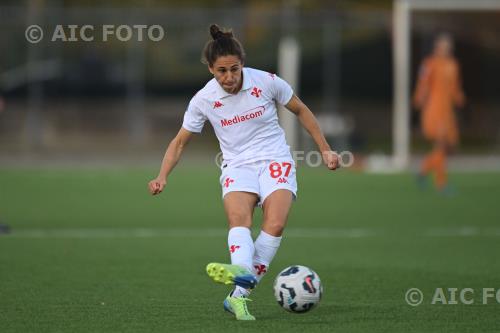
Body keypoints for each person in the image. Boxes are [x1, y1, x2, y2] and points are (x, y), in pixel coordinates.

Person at [148, 24, 339, 321]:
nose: (229, 77)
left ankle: (238, 292)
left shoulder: (266, 81)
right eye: (222, 71)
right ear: (211, 69)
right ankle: (242, 277)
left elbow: (301, 109)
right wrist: (162, 175)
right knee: (239, 218)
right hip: (237, 165)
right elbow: (179, 142)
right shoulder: (203, 100)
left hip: (275, 159)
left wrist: (325, 148)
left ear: (242, 64)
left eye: (234, 69)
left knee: (274, 224)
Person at [413, 33, 465, 192]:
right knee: (441, 145)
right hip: (434, 110)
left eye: (448, 46)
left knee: (450, 147)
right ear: (437, 47)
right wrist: (419, 97)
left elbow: (455, 87)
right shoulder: (429, 63)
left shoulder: (453, 65)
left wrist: (459, 98)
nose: (446, 49)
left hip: (448, 112)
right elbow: (423, 84)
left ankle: (422, 171)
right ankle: (441, 183)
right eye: (443, 45)